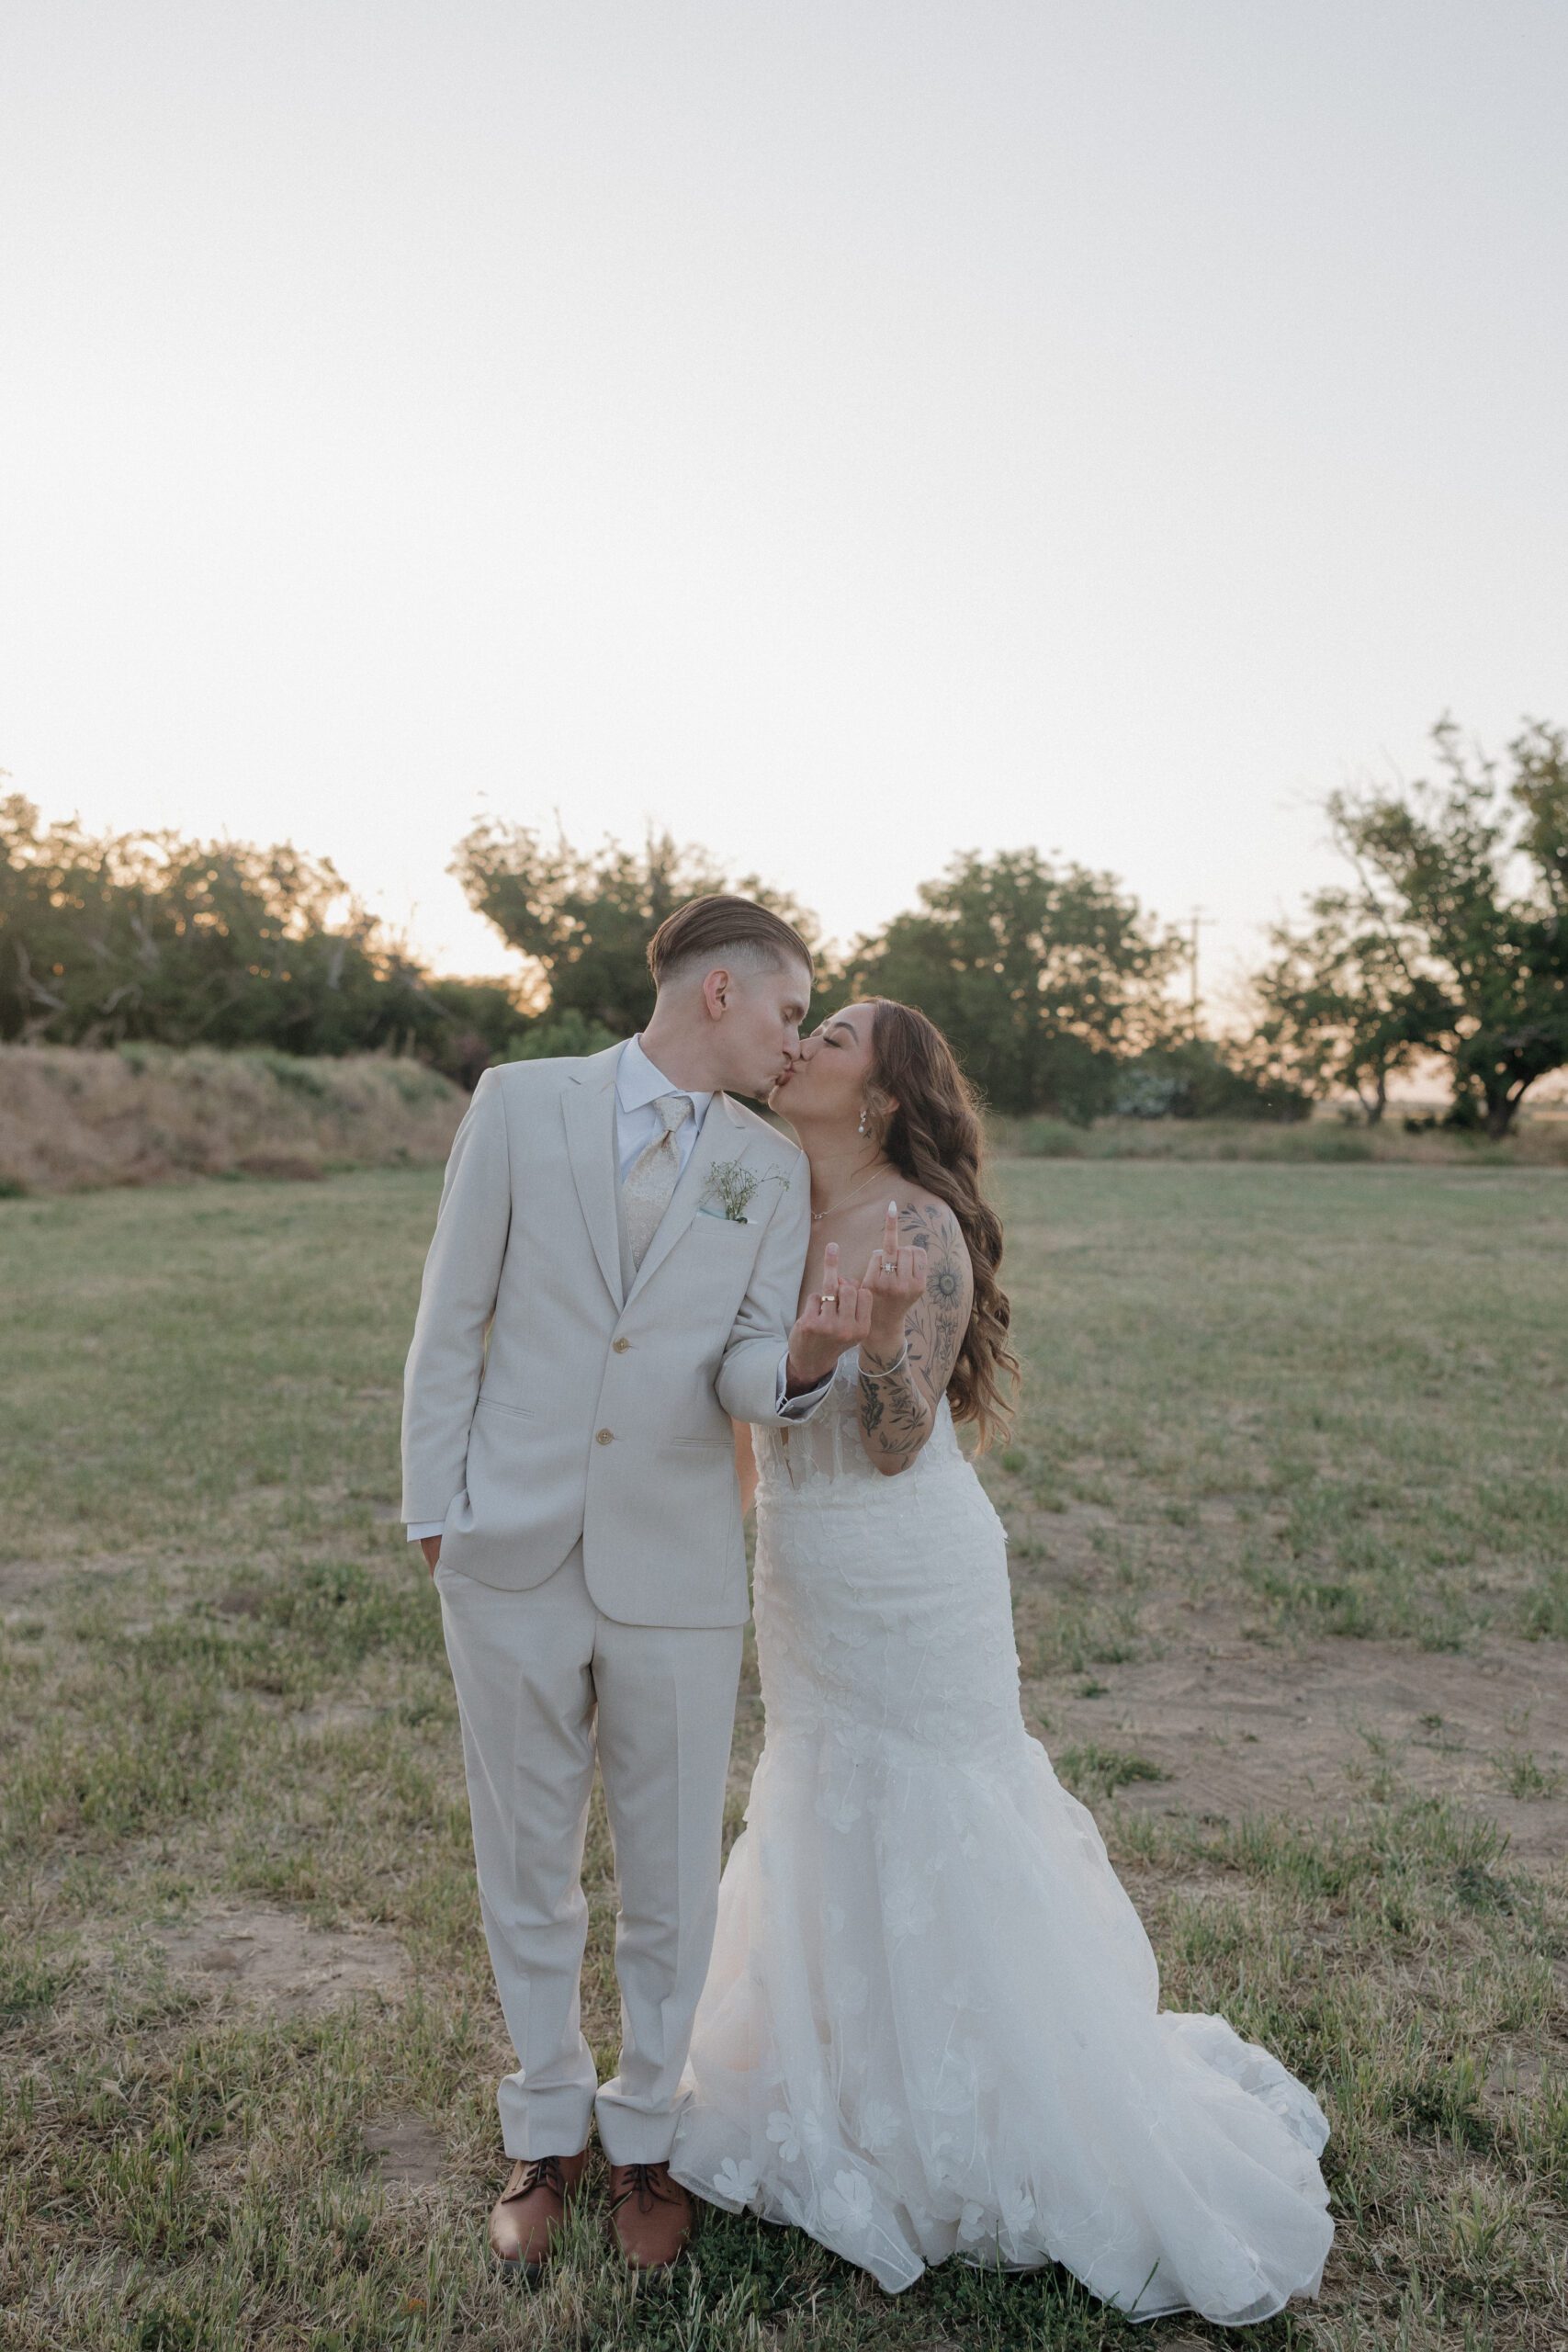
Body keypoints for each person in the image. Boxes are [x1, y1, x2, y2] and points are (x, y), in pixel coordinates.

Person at [669, 998, 1336, 2326]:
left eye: (841, 1036)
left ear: (886, 1095)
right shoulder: (767, 1200)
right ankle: (843, 2083)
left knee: (936, 1803)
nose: (808, 1044)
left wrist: (878, 1342)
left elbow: (907, 1434)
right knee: (816, 1791)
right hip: (803, 1564)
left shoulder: (920, 1225)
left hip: (908, 1565)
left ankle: (976, 2109)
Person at [399, 896, 869, 2275]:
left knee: (671, 1874)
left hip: (674, 1560)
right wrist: (440, 1515)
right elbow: (452, 1318)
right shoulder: (520, 1102)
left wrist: (800, 1360)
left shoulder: (770, 1170)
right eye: (791, 1012)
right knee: (526, 1862)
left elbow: (738, 1365)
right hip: (508, 1553)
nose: (797, 1044)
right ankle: (542, 2128)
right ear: (720, 991)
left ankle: (646, 2139)